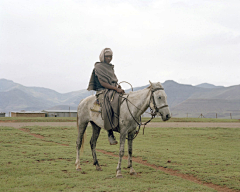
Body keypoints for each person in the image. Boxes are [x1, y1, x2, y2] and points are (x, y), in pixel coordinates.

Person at [87, 48, 125, 145]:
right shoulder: (98, 67)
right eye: (107, 56)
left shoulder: (110, 67)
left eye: (110, 56)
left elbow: (112, 80)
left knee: (122, 100)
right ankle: (110, 133)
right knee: (108, 105)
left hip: (111, 90)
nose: (109, 58)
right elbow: (103, 83)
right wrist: (115, 89)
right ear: (102, 57)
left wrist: (117, 86)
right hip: (102, 91)